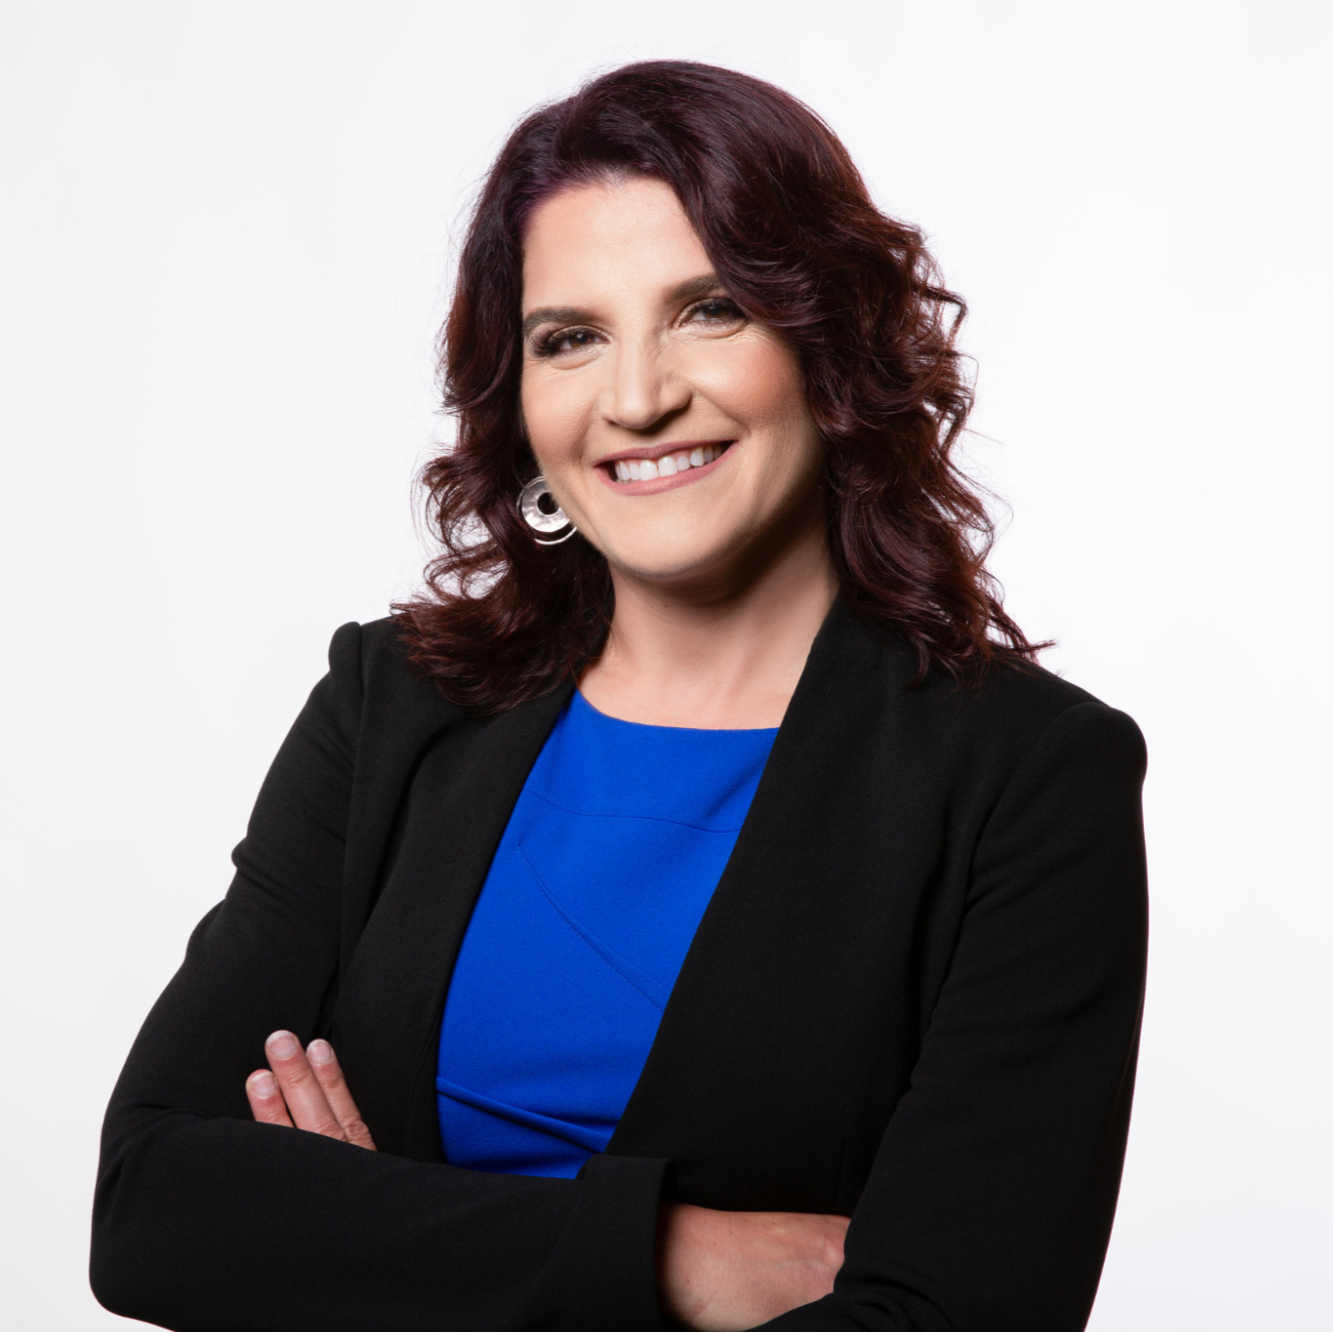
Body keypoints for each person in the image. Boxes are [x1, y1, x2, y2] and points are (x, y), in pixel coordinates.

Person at [90, 61, 1148, 1332]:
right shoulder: (392, 704)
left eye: (709, 310)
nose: (637, 397)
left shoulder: (1030, 777)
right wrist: (668, 1256)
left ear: (827, 345)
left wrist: (364, 1238)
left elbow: (961, 1313)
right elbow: (153, 1209)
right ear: (518, 394)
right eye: (570, 337)